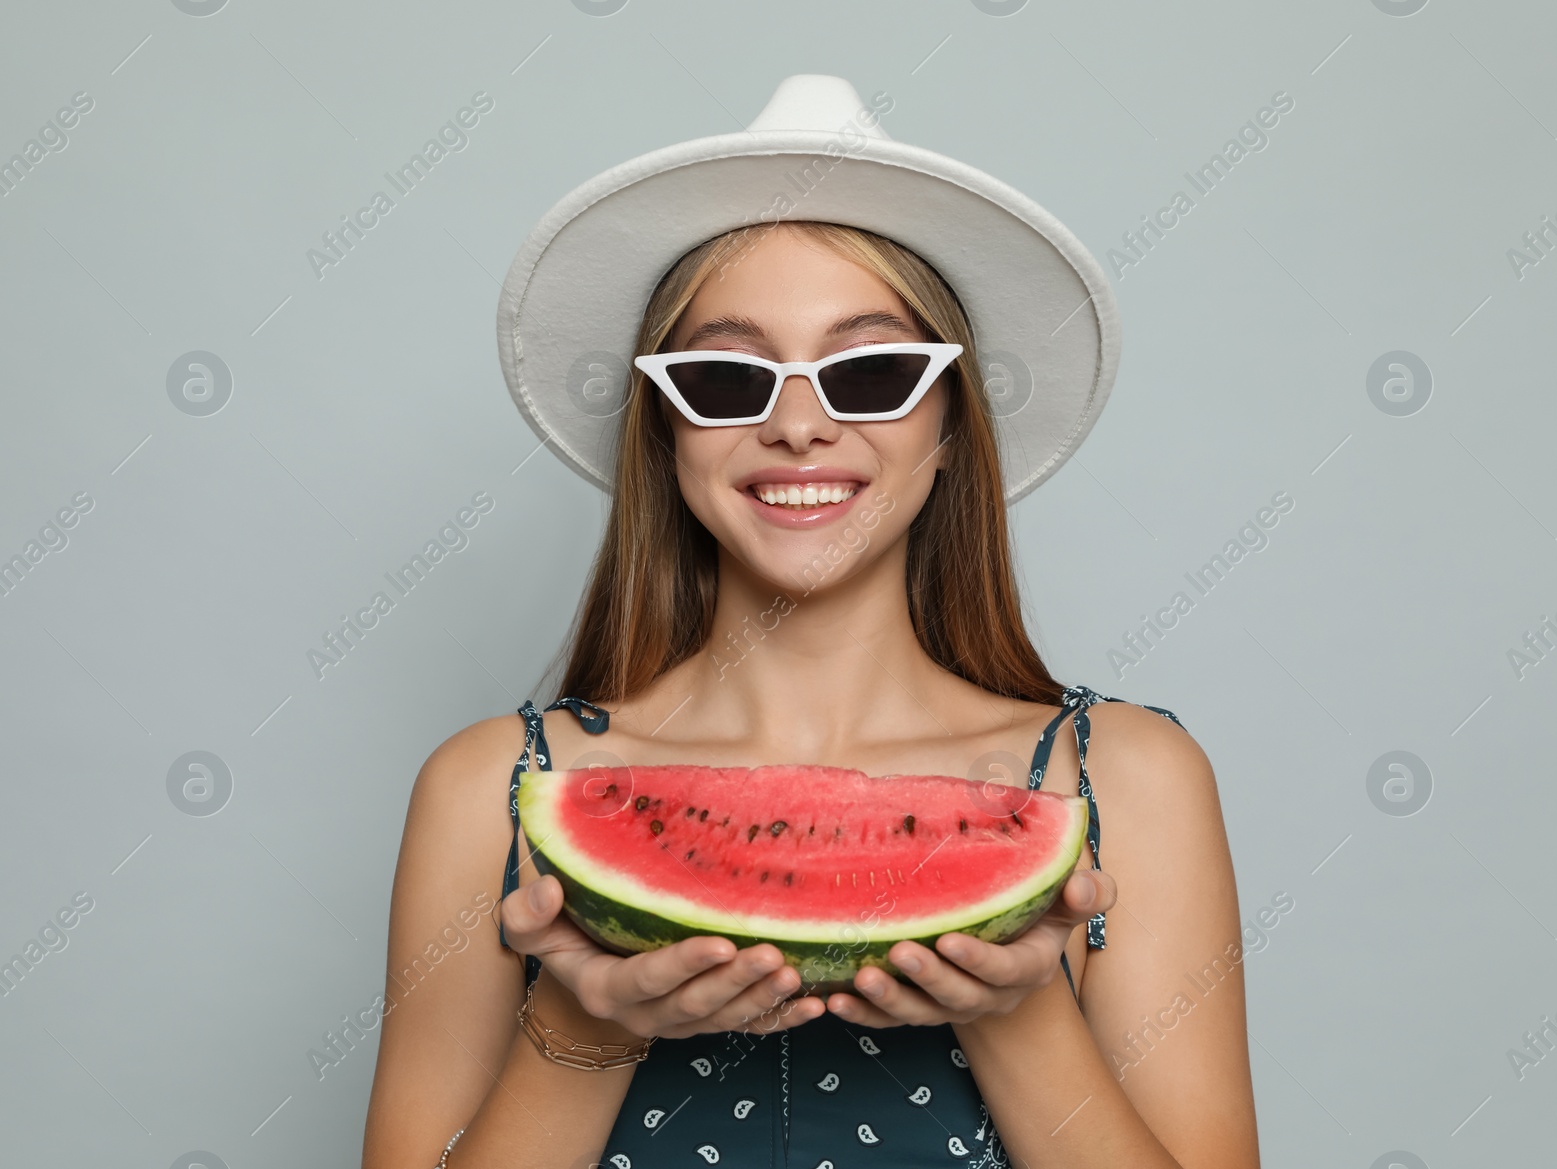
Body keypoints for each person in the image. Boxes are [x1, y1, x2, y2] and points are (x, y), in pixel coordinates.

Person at [363, 76, 1257, 1169]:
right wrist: (580, 1026)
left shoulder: (1122, 778)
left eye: (872, 369)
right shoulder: (495, 790)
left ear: (948, 423)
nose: (796, 423)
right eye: (726, 375)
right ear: (666, 428)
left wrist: (1014, 1006)